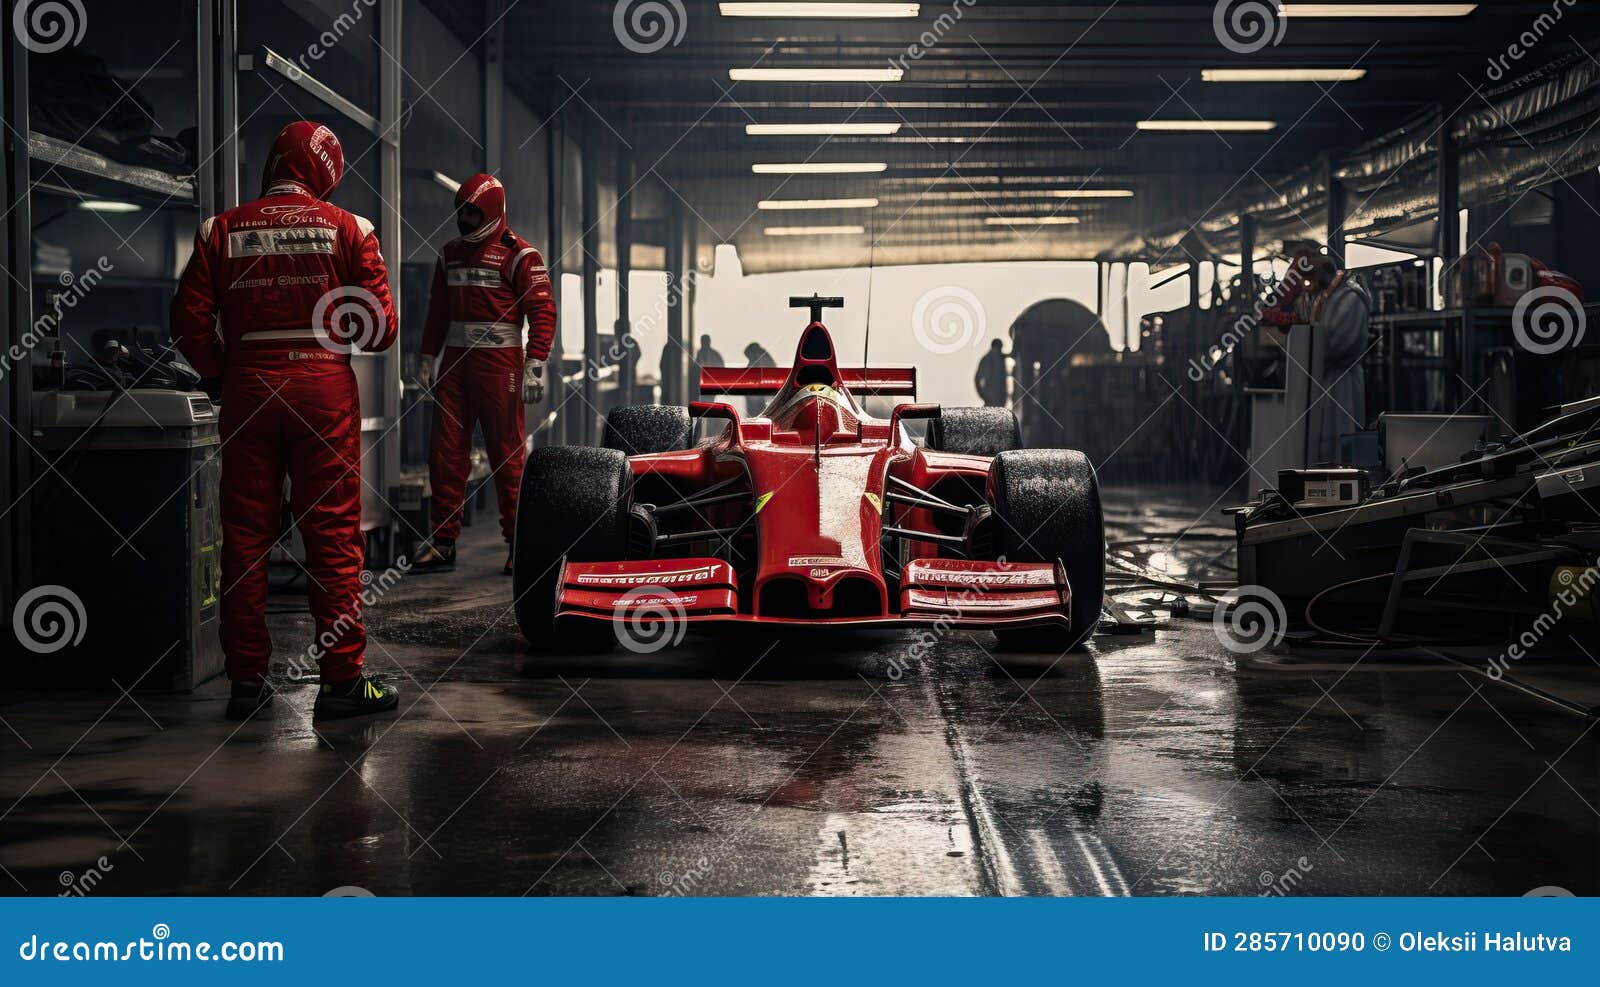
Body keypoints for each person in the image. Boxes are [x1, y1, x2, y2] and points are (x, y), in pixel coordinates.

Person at [171, 121, 399, 721]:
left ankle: (246, 685)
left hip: (248, 386)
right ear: (326, 172)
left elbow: (188, 323)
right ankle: (343, 684)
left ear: (276, 163)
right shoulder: (351, 228)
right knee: (332, 534)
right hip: (323, 388)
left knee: (245, 535)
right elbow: (381, 328)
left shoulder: (220, 229)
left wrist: (222, 371)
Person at [412, 174, 557, 576]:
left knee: (506, 453)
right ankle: (443, 542)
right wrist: (427, 355)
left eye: (473, 213)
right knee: (444, 452)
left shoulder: (521, 255)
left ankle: (517, 544)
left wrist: (535, 364)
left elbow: (542, 312)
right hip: (455, 364)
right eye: (461, 211)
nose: (465, 219)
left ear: (491, 211)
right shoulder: (450, 254)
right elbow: (438, 311)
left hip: (500, 364)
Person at [1305, 254, 1373, 464]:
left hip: (1342, 380)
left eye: (1313, 275)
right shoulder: (1325, 298)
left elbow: (1339, 342)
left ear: (1326, 272)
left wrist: (1312, 350)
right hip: (1324, 378)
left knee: (1342, 433)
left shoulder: (1350, 298)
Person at [742, 341, 775, 416]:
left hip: (756, 395)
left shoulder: (759, 361)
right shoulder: (766, 359)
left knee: (755, 413)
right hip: (759, 395)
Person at [974, 339, 1009, 407]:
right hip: (992, 397)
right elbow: (977, 379)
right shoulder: (988, 358)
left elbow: (977, 379)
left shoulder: (1001, 357)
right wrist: (984, 395)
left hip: (996, 398)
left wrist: (983, 395)